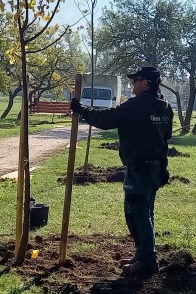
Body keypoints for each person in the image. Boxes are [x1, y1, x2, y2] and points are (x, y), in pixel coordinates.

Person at [70, 66, 173, 278]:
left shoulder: (136, 105)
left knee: (136, 212)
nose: (133, 83)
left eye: (136, 79)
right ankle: (142, 254)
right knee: (146, 211)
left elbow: (107, 119)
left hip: (139, 167)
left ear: (146, 83)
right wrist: (163, 167)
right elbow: (165, 138)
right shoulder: (164, 107)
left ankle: (147, 260)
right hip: (155, 168)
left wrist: (81, 110)